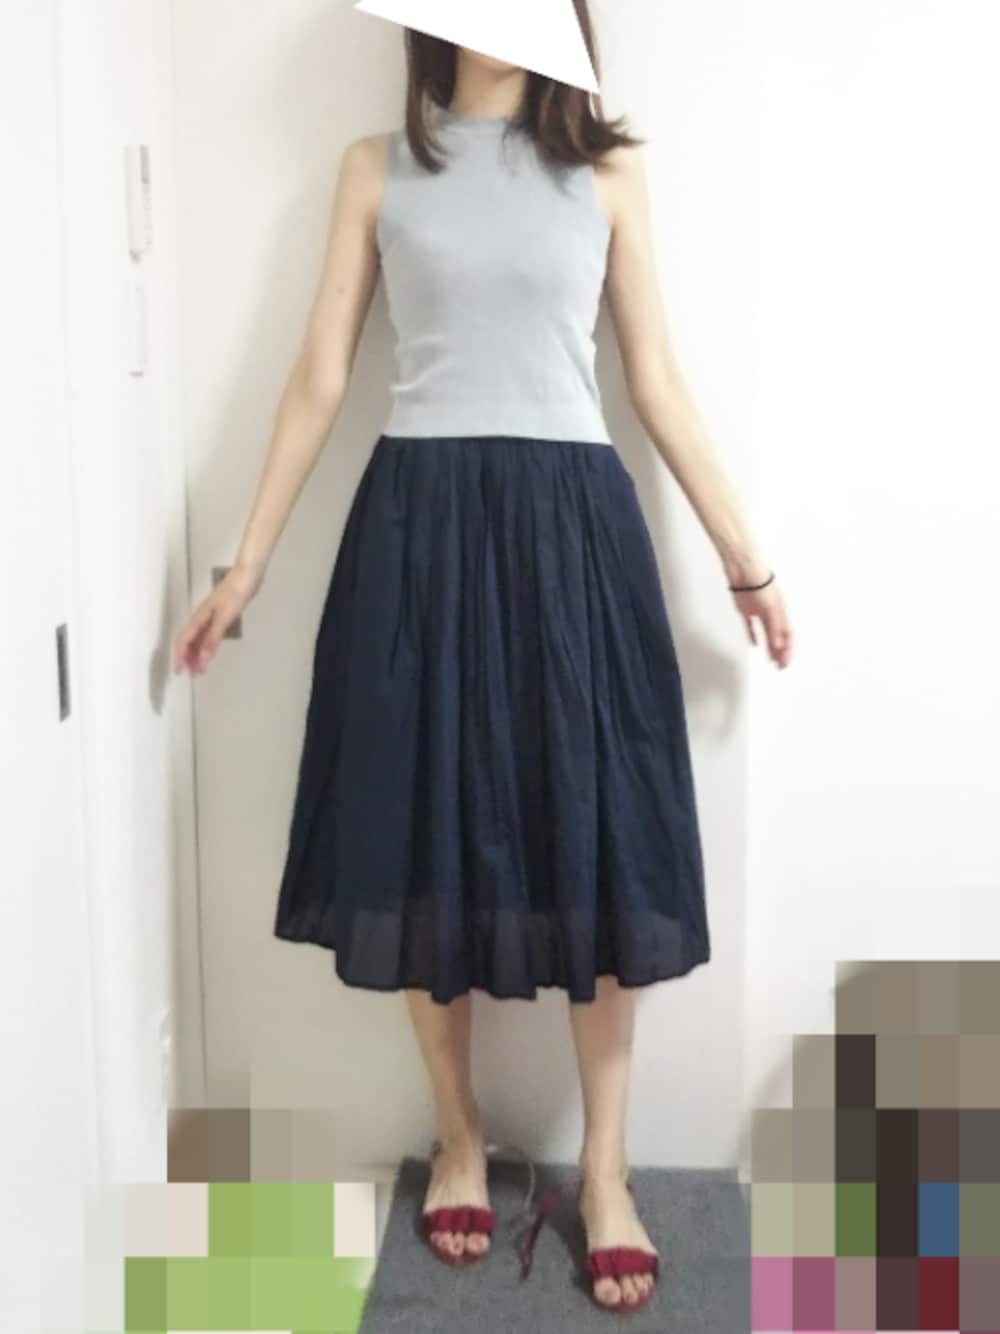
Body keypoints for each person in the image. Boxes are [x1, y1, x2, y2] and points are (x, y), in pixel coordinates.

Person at [174, 5, 792, 1317]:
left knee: (597, 836)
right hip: (419, 532)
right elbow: (318, 378)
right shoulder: (374, 166)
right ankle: (458, 1133)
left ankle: (606, 1169)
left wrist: (747, 558)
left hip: (573, 535)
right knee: (423, 832)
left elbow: (656, 381)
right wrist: (245, 564)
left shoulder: (609, 172)